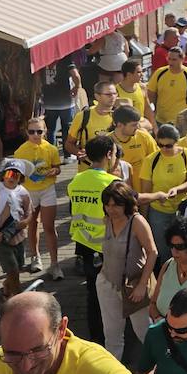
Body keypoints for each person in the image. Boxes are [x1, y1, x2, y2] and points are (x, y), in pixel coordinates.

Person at [0, 291, 168, 374]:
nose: (26, 366)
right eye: (13, 354)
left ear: (61, 330)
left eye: (38, 350)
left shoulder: (98, 371)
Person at [65, 135, 122, 346]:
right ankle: (113, 335)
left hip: (84, 243)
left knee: (92, 292)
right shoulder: (112, 183)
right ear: (109, 154)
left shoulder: (76, 180)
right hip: (107, 246)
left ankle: (96, 336)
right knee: (111, 293)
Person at [97, 180, 156, 362]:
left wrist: (141, 285)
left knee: (144, 331)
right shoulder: (107, 220)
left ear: (127, 204)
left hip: (133, 286)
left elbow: (153, 252)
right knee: (111, 334)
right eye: (107, 205)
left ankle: (157, 368)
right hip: (107, 283)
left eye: (116, 205)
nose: (111, 209)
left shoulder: (137, 222)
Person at [141, 124, 187, 263]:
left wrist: (177, 189)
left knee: (185, 249)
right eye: (160, 145)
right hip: (158, 212)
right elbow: (146, 192)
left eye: (168, 146)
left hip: (182, 210)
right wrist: (144, 220)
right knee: (163, 251)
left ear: (177, 142)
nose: (163, 149)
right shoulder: (151, 160)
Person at [15, 117, 62, 277]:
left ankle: (55, 263)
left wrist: (54, 171)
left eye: (39, 131)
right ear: (26, 132)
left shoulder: (51, 149)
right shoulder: (20, 151)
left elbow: (57, 167)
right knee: (32, 224)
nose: (35, 135)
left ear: (45, 131)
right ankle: (35, 257)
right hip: (29, 191)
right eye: (31, 132)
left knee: (49, 226)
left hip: (47, 189)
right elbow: (16, 173)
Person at [0, 159, 34, 299]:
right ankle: (17, 297)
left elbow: (29, 212)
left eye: (16, 175)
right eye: (9, 173)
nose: (12, 177)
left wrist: (25, 222)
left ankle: (7, 287)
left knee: (18, 267)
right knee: (12, 269)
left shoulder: (24, 193)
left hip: (19, 236)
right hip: (1, 238)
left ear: (21, 178)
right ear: (3, 175)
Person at [150, 48, 187, 127]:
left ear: (182, 59)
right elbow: (151, 94)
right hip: (160, 120)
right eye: (169, 59)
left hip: (182, 121)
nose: (170, 62)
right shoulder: (159, 73)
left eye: (174, 59)